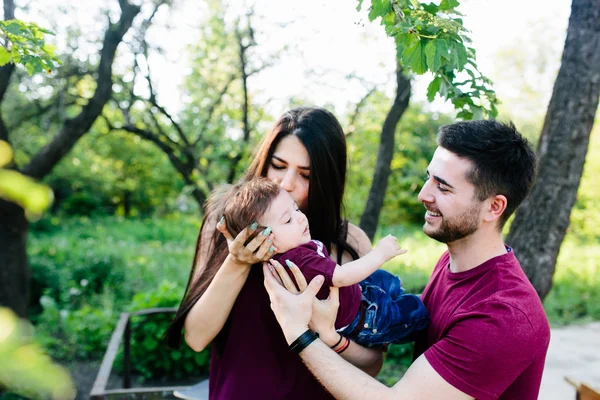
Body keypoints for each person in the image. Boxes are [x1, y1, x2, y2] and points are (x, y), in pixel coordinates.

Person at [263, 120, 551, 400]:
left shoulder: (503, 316)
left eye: (443, 187)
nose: (424, 194)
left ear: (494, 207)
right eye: (429, 177)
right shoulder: (452, 264)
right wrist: (329, 334)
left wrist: (296, 329)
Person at [165, 107, 384, 399]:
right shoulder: (223, 229)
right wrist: (238, 262)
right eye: (278, 166)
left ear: (327, 180)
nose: (286, 183)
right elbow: (195, 338)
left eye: (305, 174)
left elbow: (372, 364)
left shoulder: (349, 242)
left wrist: (329, 337)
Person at [218, 177, 429, 349]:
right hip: (363, 315)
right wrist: (380, 254)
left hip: (357, 293)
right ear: (262, 240)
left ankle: (405, 297)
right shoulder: (298, 260)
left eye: (296, 210)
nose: (300, 218)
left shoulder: (290, 250)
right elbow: (342, 276)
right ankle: (424, 323)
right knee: (416, 315)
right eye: (288, 220)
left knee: (385, 281)